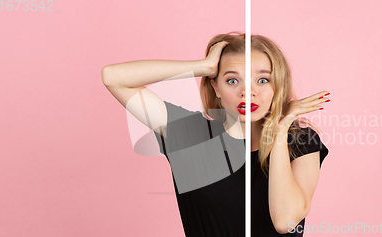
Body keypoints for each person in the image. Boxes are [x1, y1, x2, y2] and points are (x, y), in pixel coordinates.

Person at [102, 32, 329, 236]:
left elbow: (285, 221)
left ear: (277, 86)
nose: (247, 92)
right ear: (216, 87)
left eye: (262, 80)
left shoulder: (300, 141)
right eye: (232, 80)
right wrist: (203, 66)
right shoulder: (191, 135)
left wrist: (279, 132)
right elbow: (113, 77)